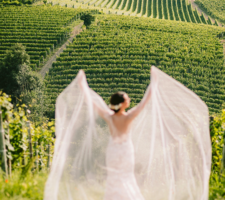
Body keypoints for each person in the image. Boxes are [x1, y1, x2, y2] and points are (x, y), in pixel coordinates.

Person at [44, 66, 211, 200]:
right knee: (126, 176)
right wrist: (154, 82)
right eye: (127, 99)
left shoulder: (109, 117)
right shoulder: (130, 116)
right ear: (123, 103)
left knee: (114, 177)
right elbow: (145, 102)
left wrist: (82, 85)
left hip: (113, 150)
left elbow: (92, 102)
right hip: (125, 151)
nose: (129, 100)